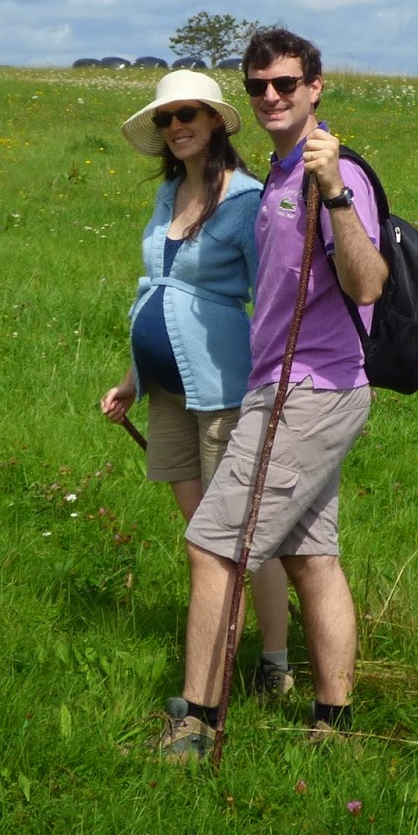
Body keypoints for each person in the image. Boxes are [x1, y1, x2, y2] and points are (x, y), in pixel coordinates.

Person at [154, 27, 388, 759]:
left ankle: (197, 722)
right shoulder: (279, 177)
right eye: (258, 86)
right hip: (282, 387)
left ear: (315, 87)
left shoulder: (336, 174)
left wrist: (335, 192)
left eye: (286, 83)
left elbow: (368, 285)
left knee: (213, 548)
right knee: (310, 556)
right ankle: (333, 724)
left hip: (310, 390)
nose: (272, 96)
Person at [100, 70, 293, 695]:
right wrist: (131, 381)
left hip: (223, 392)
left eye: (188, 114)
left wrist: (274, 387)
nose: (176, 126)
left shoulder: (247, 200)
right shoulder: (168, 194)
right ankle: (218, 642)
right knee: (201, 537)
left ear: (214, 121)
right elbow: (159, 292)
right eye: (165, 118)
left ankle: (273, 662)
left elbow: (271, 300)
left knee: (239, 537)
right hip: (165, 392)